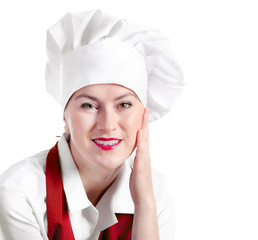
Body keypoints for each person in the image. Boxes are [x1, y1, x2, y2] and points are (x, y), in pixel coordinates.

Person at [0, 9, 184, 240]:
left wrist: (145, 203)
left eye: (124, 105)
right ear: (65, 117)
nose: (107, 124)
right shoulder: (21, 190)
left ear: (143, 117)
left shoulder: (154, 191)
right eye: (89, 106)